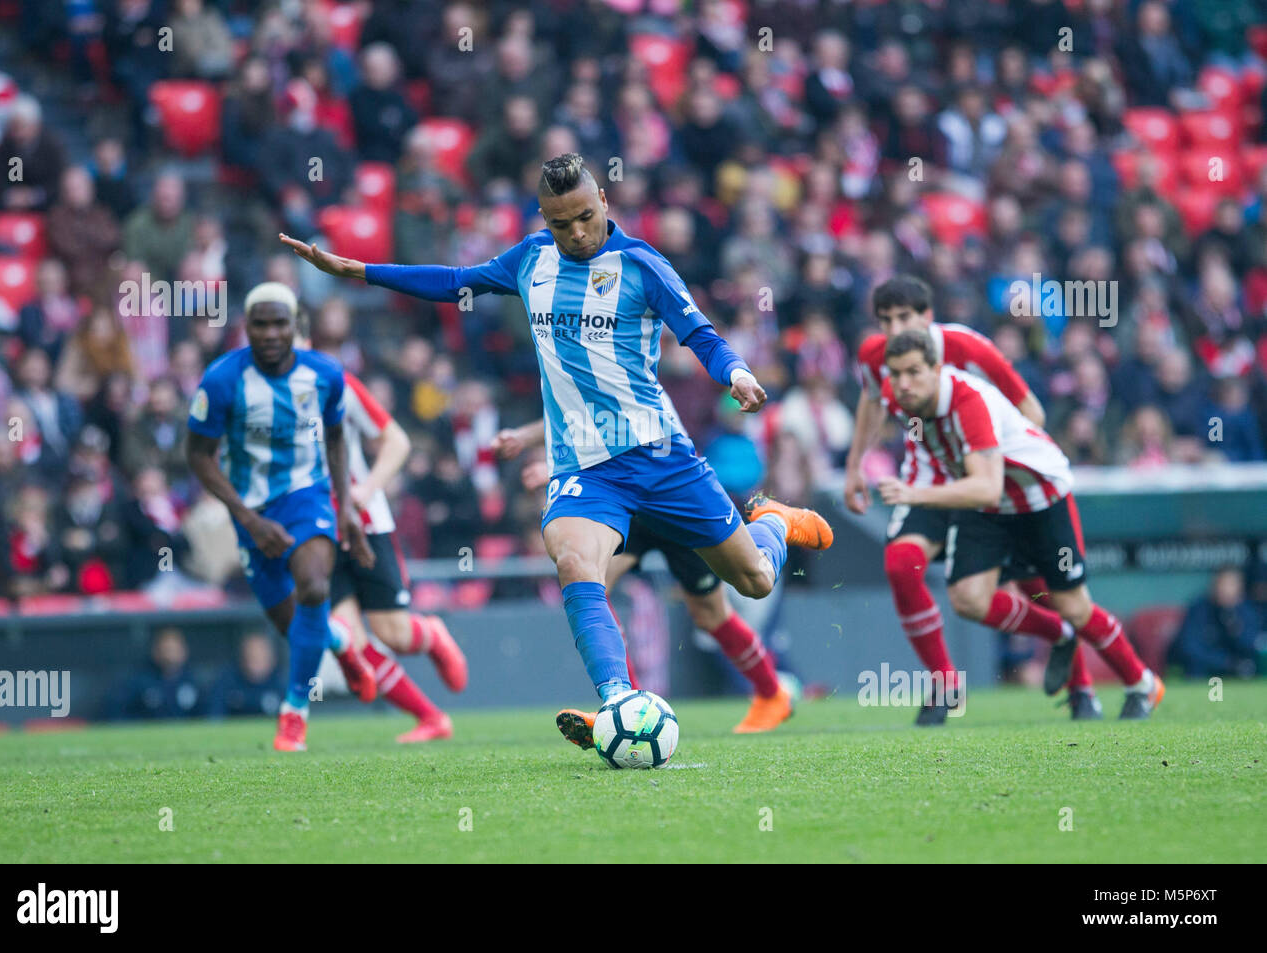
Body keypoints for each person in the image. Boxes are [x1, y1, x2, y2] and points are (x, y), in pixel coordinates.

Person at [280, 153, 833, 756]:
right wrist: (360, 271)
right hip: (586, 469)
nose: (575, 233)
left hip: (662, 458)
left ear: (605, 204)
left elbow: (699, 332)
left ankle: (774, 521)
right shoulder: (529, 259)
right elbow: (454, 282)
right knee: (574, 561)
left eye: (586, 218)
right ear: (543, 217)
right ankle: (619, 701)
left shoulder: (642, 265)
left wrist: (737, 374)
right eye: (560, 221)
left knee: (751, 580)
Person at [845, 276, 1103, 722]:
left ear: (928, 318)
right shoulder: (876, 356)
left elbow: (1032, 411)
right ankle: (944, 684)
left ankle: (1081, 688)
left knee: (1036, 588)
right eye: (884, 320)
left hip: (984, 485)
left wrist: (1006, 466)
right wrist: (855, 466)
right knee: (900, 564)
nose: (892, 330)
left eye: (903, 318)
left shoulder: (970, 348)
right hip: (925, 478)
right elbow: (872, 401)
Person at [877, 329, 1166, 720]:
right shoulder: (897, 397)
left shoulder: (968, 401)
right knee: (968, 599)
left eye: (913, 372)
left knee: (1073, 606)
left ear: (937, 368)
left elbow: (985, 484)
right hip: (991, 506)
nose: (903, 383)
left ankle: (1142, 684)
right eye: (896, 374)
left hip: (1039, 498)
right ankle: (1058, 638)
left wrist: (915, 494)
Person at [493, 418, 792, 733]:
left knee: (712, 615)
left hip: (670, 499)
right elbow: (572, 410)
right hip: (631, 508)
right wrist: (528, 441)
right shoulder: (587, 380)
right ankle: (625, 707)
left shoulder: (634, 387)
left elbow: (591, 419)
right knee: (591, 583)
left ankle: (772, 695)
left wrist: (555, 463)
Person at [185, 282, 377, 752]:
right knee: (295, 627)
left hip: (306, 496)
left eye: (279, 323)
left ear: (296, 326)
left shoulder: (326, 375)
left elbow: (336, 438)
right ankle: (338, 639)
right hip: (250, 508)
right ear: (246, 328)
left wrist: (345, 506)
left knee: (314, 587)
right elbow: (198, 457)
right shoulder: (221, 379)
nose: (270, 333)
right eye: (260, 324)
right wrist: (248, 520)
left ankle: (293, 713)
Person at [293, 313, 467, 744]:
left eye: (288, 334)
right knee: (350, 642)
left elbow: (398, 441)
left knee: (394, 634)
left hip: (363, 525)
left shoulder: (334, 383)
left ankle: (431, 634)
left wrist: (366, 490)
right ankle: (431, 718)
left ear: (303, 338)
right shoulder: (252, 400)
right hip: (312, 535)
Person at [1168, 567, 1263, 679]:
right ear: (1214, 586)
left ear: (1240, 588)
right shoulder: (1199, 609)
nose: (1225, 589)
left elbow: (1254, 647)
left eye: (1231, 584)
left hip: (1239, 675)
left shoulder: (1247, 611)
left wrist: (1234, 626)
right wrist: (1226, 663)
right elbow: (1189, 648)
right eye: (1222, 584)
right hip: (1204, 673)